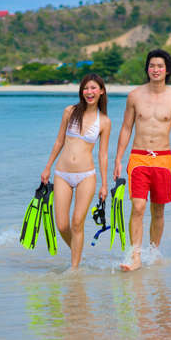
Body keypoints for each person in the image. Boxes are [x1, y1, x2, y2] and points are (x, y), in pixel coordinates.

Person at [113, 49, 171, 271]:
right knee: (138, 206)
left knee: (158, 211)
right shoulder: (134, 96)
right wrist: (118, 158)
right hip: (138, 157)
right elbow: (126, 128)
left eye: (160, 66)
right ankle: (135, 256)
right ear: (147, 69)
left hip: (163, 159)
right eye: (152, 66)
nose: (155, 69)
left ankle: (153, 252)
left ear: (167, 70)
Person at [41, 73, 111, 269]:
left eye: (93, 88)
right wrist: (47, 167)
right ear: (82, 91)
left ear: (101, 91)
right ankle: (78, 253)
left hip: (86, 176)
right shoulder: (69, 111)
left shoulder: (104, 121)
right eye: (86, 88)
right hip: (62, 173)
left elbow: (103, 155)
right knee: (62, 225)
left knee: (77, 222)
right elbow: (59, 141)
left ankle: (74, 269)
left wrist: (104, 185)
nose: (89, 92)